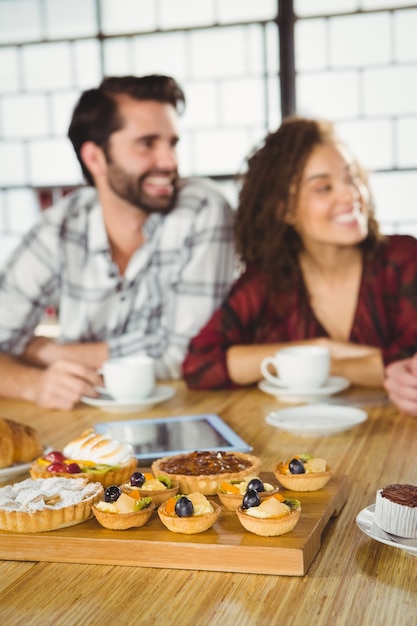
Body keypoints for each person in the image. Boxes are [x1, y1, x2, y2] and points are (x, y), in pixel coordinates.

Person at [0, 75, 235, 409]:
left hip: (188, 409)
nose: (169, 162)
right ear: (95, 158)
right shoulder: (60, 227)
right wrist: (33, 384)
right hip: (80, 414)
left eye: (172, 143)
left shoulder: (202, 209)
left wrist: (46, 352)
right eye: (147, 144)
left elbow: (189, 355)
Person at [182, 117, 417, 390]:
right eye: (323, 188)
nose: (350, 194)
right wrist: (318, 347)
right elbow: (200, 365)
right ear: (285, 210)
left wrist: (321, 363)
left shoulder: (403, 260)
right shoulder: (268, 281)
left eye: (351, 177)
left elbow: (411, 366)